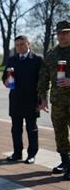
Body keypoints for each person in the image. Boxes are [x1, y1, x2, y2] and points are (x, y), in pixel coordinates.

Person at [1, 35, 42, 164]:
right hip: (16, 99)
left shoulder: (37, 60)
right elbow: (4, 77)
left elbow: (42, 81)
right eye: (17, 45)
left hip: (31, 100)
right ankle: (17, 153)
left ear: (28, 44)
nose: (19, 47)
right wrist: (6, 81)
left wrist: (41, 100)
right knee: (16, 129)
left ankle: (32, 154)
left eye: (22, 44)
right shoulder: (12, 60)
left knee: (31, 128)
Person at [38, 20, 70, 181]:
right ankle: (65, 162)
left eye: (65, 32)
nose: (62, 36)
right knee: (60, 132)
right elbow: (43, 79)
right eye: (59, 33)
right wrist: (42, 98)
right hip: (58, 102)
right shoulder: (51, 55)